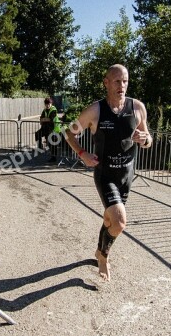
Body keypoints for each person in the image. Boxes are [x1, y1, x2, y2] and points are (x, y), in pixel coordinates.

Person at [64, 64, 152, 281]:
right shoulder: (96, 110)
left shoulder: (137, 107)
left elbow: (148, 138)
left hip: (127, 176)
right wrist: (82, 153)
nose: (122, 86)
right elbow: (69, 133)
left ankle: (99, 250)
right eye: (117, 81)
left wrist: (145, 140)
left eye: (125, 81)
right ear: (106, 82)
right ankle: (103, 256)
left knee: (111, 221)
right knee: (120, 221)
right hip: (105, 174)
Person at [37, 97, 61, 162]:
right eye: (46, 104)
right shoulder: (44, 110)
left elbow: (51, 119)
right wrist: (44, 119)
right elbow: (41, 118)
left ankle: (54, 157)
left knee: (52, 144)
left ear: (51, 103)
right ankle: (40, 147)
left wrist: (44, 119)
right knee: (37, 134)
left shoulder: (53, 110)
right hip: (47, 129)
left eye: (49, 104)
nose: (47, 105)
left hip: (54, 129)